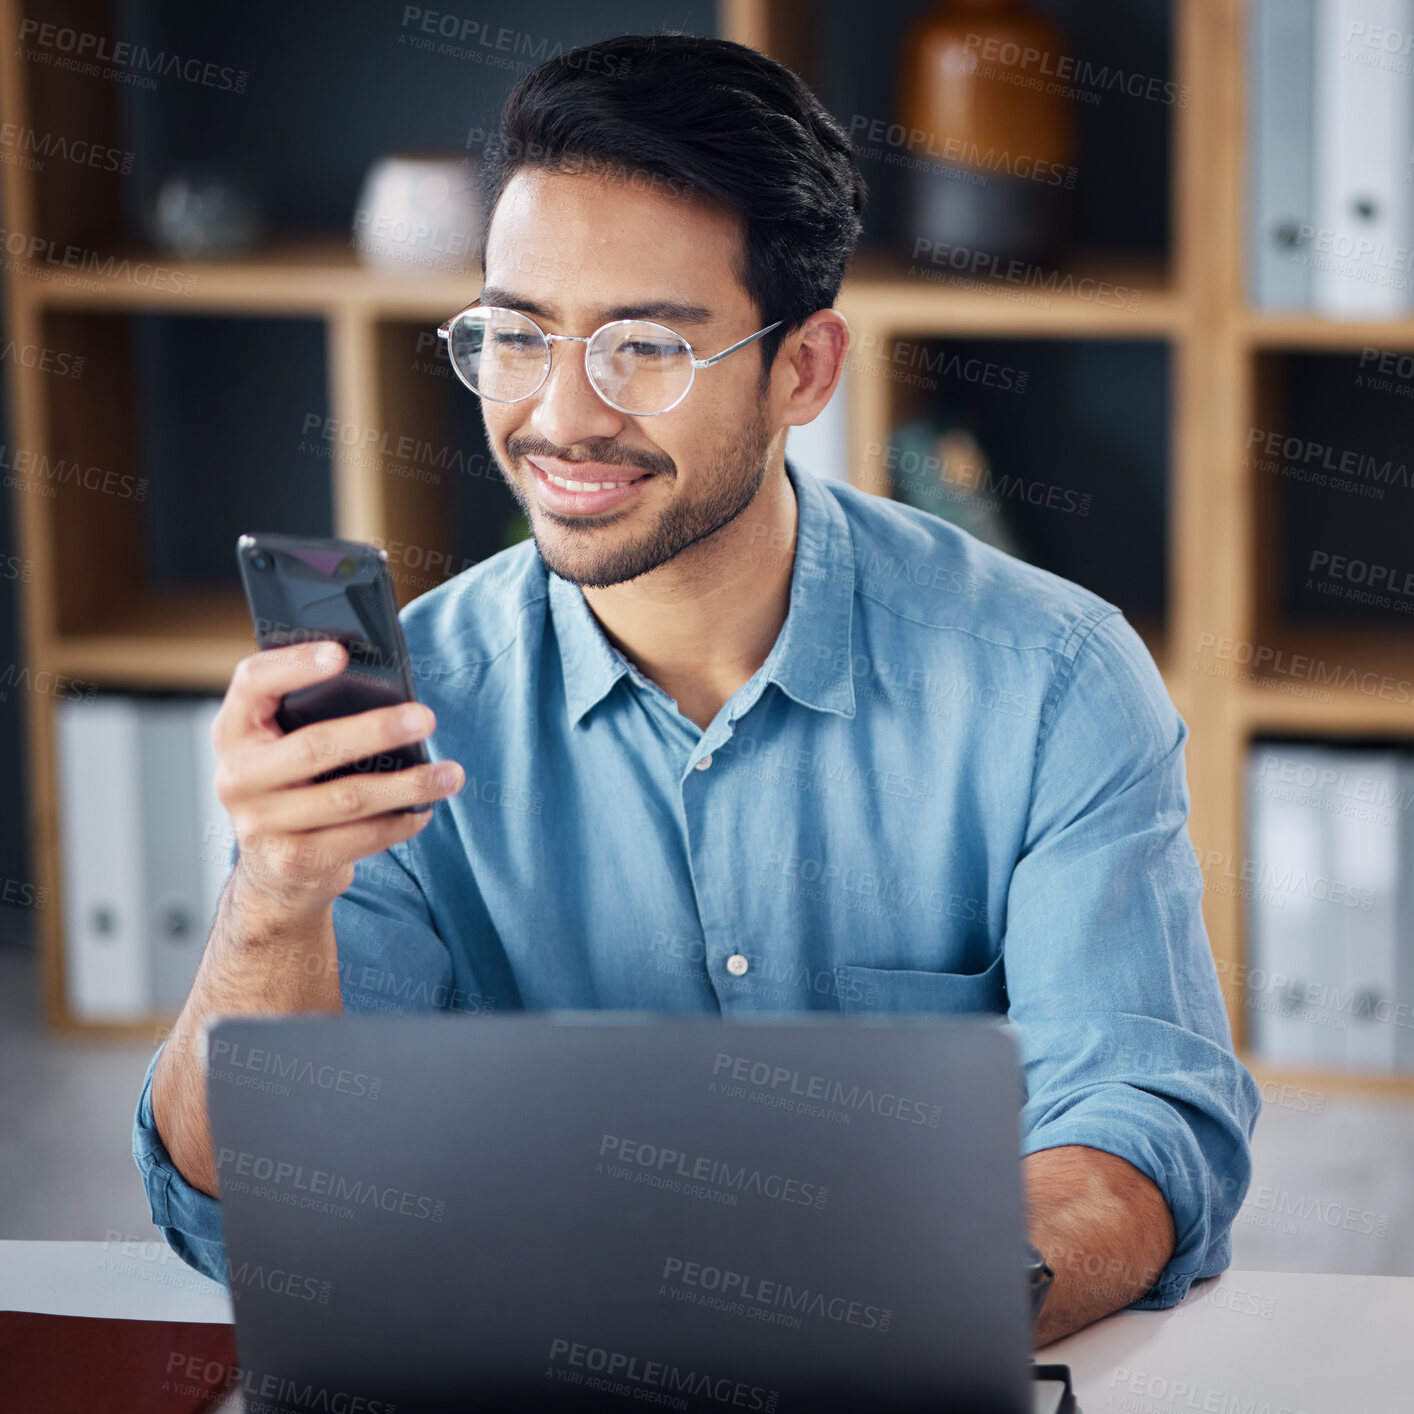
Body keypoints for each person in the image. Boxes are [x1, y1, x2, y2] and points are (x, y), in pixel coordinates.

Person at [134, 32, 1260, 1349]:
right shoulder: (407, 710)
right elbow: (245, 1206)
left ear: (805, 369)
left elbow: (1137, 1134)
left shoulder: (1052, 680)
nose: (560, 416)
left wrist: (886, 1319)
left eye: (644, 350)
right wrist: (274, 896)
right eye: (514, 335)